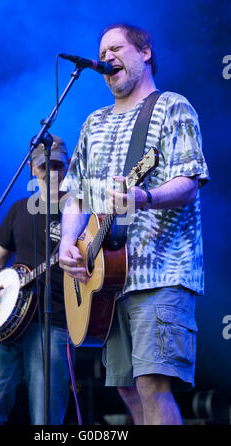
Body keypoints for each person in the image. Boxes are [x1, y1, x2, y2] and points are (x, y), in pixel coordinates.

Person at [59, 23, 210, 425]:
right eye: (102, 51)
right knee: (127, 388)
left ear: (145, 52)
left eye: (116, 47)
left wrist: (145, 196)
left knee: (152, 386)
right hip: (108, 283)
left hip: (159, 272)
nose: (106, 57)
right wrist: (67, 245)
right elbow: (75, 193)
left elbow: (188, 182)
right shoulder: (94, 122)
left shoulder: (172, 106)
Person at [0, 135, 74, 425]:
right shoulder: (18, 210)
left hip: (53, 326)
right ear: (31, 168)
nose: (51, 173)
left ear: (69, 165)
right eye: (44, 167)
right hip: (6, 323)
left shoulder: (79, 211)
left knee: (46, 422)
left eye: (57, 165)